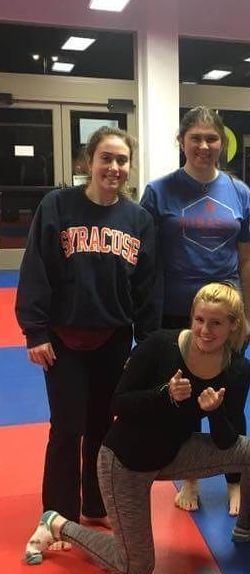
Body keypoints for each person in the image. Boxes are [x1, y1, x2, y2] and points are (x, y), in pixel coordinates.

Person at [24, 283, 250, 574]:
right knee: (136, 567)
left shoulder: (237, 368)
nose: (205, 330)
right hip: (126, 462)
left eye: (216, 323)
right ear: (191, 317)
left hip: (175, 453)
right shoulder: (161, 346)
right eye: (200, 320)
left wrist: (214, 412)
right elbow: (118, 405)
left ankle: (247, 527)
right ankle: (57, 523)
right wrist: (166, 395)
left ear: (233, 326)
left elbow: (227, 441)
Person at [15, 126, 157, 550]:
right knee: (66, 428)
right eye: (106, 158)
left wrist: (145, 347)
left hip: (113, 338)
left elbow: (148, 289)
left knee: (102, 426)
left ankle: (96, 503)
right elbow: (36, 267)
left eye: (121, 160)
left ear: (129, 167)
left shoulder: (138, 220)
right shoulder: (57, 206)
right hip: (62, 339)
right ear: (88, 162)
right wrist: (35, 331)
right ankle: (56, 516)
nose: (114, 167)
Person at [141, 106, 250, 514]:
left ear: (222, 143)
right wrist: (148, 322)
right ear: (182, 142)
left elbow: (245, 260)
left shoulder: (239, 192)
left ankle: (234, 481)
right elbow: (147, 260)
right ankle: (188, 478)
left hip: (225, 314)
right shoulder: (159, 192)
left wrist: (247, 318)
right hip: (176, 313)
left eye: (213, 138)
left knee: (230, 401)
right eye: (197, 138)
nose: (205, 146)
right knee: (184, 402)